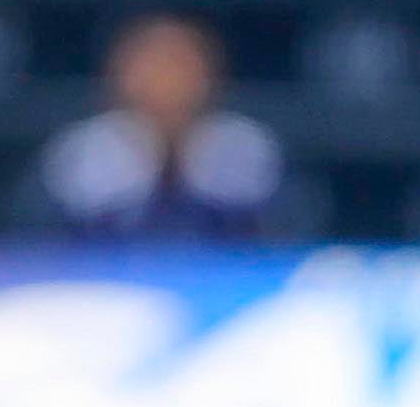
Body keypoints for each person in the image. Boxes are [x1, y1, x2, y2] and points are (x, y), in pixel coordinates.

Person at [38, 14, 280, 241]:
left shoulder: (247, 148)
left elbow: (279, 240)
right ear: (119, 74)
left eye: (179, 64)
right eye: (149, 64)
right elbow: (40, 245)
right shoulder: (81, 151)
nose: (165, 79)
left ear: (211, 74)